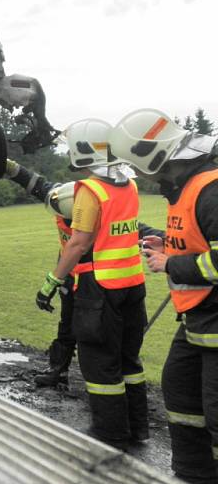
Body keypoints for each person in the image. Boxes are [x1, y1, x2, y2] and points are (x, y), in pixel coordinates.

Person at [110, 109, 218, 483]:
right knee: (180, 394)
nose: (137, 174)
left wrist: (171, 263)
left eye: (136, 165)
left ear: (154, 157)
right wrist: (166, 241)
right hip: (198, 322)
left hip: (213, 322)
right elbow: (195, 239)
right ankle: (193, 475)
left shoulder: (211, 190)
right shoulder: (188, 189)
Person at [43, 118, 148, 450]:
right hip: (133, 284)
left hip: (100, 289)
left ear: (82, 149)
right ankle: (138, 428)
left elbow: (78, 243)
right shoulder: (129, 186)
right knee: (129, 361)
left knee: (101, 364)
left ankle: (110, 434)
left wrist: (52, 281)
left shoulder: (91, 190)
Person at [5, 159, 80, 387]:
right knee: (66, 324)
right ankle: (58, 370)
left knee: (90, 329)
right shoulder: (60, 197)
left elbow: (137, 230)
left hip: (96, 281)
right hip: (69, 273)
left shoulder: (96, 214)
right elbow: (34, 182)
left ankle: (105, 375)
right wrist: (6, 165)